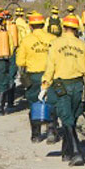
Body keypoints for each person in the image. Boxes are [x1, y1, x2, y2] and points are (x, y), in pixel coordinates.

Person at [41, 15, 85, 167]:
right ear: (76, 29)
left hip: (61, 86)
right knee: (71, 119)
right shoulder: (82, 45)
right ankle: (66, 152)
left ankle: (77, 153)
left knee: (67, 120)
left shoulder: (56, 44)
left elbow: (50, 67)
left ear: (63, 28)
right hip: (78, 85)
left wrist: (45, 85)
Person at [15, 11, 57, 142]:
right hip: (51, 75)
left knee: (34, 103)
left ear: (31, 26)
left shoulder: (27, 41)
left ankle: (36, 134)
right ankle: (52, 130)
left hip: (34, 76)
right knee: (51, 102)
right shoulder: (53, 39)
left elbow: (19, 62)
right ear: (43, 24)